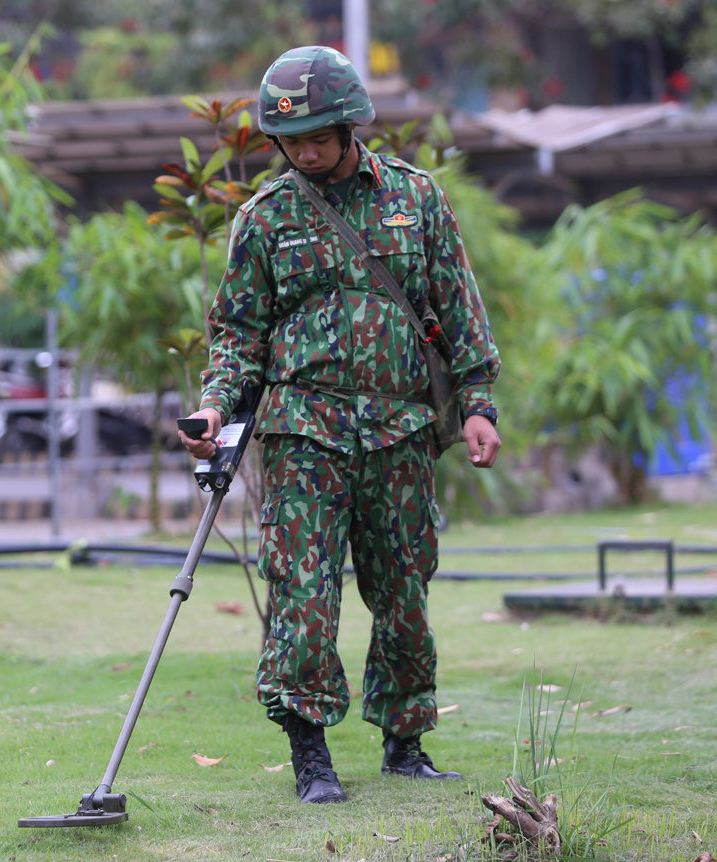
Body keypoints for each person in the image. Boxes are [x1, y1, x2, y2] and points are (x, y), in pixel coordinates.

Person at [178, 47, 502, 804]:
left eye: (320, 134)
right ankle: (310, 755)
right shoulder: (264, 219)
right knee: (302, 593)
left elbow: (459, 310)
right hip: (303, 437)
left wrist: (480, 405)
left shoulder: (414, 199)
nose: (307, 150)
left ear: (352, 123)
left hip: (399, 436)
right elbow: (237, 338)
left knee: (403, 592)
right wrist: (213, 409)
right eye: (293, 140)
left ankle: (405, 740)